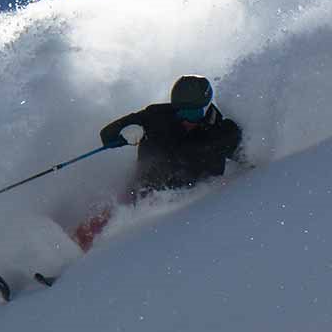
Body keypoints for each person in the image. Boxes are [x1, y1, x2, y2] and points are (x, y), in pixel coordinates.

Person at [73, 75, 243, 250]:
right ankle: (66, 258)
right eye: (180, 111)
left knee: (127, 239)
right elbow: (107, 134)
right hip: (139, 191)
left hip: (184, 207)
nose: (185, 119)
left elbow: (251, 157)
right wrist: (124, 134)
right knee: (101, 217)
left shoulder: (223, 133)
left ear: (206, 107)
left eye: (192, 113)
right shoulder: (156, 116)